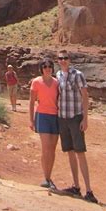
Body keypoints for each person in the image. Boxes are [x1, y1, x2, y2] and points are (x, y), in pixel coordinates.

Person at [55, 50, 98, 203]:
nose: (63, 60)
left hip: (75, 118)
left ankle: (89, 190)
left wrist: (85, 119)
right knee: (70, 152)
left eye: (65, 58)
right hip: (63, 118)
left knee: (80, 152)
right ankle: (76, 186)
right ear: (58, 60)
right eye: (60, 58)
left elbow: (85, 96)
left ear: (69, 59)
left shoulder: (78, 74)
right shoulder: (58, 75)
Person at [29, 58, 59, 190]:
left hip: (55, 116)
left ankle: (49, 177)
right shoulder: (36, 82)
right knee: (46, 147)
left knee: (52, 149)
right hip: (42, 115)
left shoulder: (57, 83)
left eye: (50, 66)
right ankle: (46, 178)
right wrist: (31, 120)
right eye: (45, 66)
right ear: (41, 69)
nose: (48, 68)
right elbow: (31, 102)